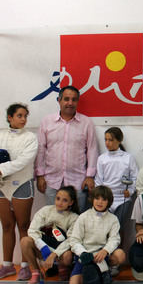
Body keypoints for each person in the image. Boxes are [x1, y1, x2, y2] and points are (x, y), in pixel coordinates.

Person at [0, 103, 37, 281]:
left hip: (22, 184)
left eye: (25, 116)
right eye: (19, 116)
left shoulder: (30, 138)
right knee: (6, 226)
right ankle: (7, 266)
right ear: (10, 117)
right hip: (1, 186)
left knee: (24, 226)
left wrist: (0, 169)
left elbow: (23, 161)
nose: (23, 119)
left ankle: (26, 266)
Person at [35, 85, 99, 213]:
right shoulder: (47, 122)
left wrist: (90, 176)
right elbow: (41, 149)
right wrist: (40, 175)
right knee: (53, 220)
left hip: (78, 181)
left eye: (74, 99)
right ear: (59, 100)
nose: (70, 103)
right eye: (66, 99)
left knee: (78, 220)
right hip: (51, 180)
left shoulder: (86, 123)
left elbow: (92, 150)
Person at [95, 127, 139, 274]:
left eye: (111, 140)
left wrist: (130, 191)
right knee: (105, 231)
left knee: (119, 230)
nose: (107, 143)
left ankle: (116, 262)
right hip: (106, 200)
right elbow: (99, 180)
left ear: (119, 141)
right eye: (106, 139)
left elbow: (135, 178)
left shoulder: (128, 158)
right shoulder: (102, 158)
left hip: (122, 200)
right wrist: (100, 197)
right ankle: (105, 260)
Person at [68, 186, 125, 284]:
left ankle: (104, 271)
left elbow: (114, 239)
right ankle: (92, 275)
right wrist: (83, 253)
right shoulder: (83, 217)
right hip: (85, 256)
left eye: (104, 199)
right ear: (92, 199)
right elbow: (74, 240)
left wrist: (105, 251)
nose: (100, 202)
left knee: (120, 254)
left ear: (109, 202)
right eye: (97, 198)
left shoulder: (113, 219)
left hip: (101, 256)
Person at [20, 186, 79, 284]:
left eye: (65, 200)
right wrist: (43, 247)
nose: (60, 203)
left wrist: (54, 254)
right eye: (58, 198)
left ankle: (63, 268)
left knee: (68, 256)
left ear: (71, 202)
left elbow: (71, 240)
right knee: (25, 241)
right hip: (43, 247)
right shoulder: (45, 211)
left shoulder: (74, 218)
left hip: (60, 251)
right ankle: (36, 273)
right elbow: (32, 230)